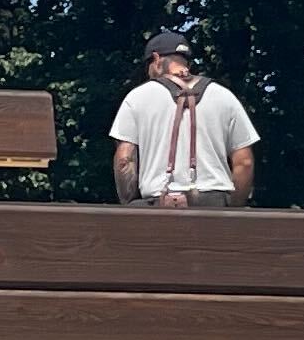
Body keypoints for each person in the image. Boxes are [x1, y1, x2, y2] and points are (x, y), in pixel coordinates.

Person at [110, 27, 258, 209]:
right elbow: (244, 162)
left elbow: (125, 160)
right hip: (213, 207)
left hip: (158, 206)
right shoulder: (224, 96)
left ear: (156, 60)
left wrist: (131, 205)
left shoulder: (137, 97)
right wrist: (232, 208)